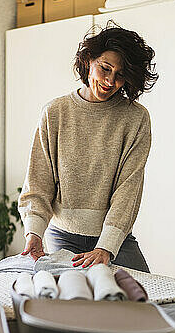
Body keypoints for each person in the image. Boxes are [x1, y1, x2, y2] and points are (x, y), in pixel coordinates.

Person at [18, 21, 158, 272]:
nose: (110, 81)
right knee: (74, 304)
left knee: (143, 301)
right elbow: (38, 181)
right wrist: (34, 233)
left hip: (115, 238)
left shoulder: (136, 118)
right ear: (89, 61)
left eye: (120, 75)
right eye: (105, 68)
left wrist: (105, 247)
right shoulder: (55, 112)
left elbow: (129, 189)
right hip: (63, 236)